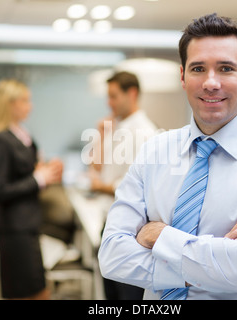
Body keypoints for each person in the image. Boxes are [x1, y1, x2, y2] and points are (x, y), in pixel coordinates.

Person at [98, 13, 237, 300]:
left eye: (225, 68)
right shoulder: (154, 150)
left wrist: (161, 236)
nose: (211, 83)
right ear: (183, 77)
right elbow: (112, 255)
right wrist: (216, 257)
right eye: (198, 68)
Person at [0, 79, 63, 300]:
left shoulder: (23, 136)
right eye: (25, 100)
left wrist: (47, 173)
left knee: (35, 289)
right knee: (30, 292)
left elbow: (28, 177)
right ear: (9, 104)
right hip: (14, 229)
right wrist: (38, 178)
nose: (31, 106)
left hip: (28, 225)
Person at [89, 71, 158, 300]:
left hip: (132, 231)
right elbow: (96, 166)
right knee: (111, 294)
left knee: (127, 295)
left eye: (114, 96)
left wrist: (102, 187)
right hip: (110, 221)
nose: (109, 103)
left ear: (132, 93)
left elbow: (140, 188)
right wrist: (101, 134)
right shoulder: (118, 127)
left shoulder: (144, 132)